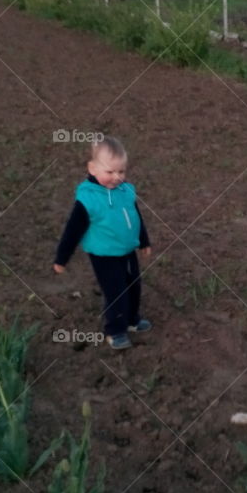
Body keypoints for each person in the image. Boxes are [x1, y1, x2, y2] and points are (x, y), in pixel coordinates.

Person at [53, 136, 152, 350]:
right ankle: (115, 330)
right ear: (93, 168)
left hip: (127, 250)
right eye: (110, 172)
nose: (117, 178)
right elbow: (72, 231)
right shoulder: (88, 200)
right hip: (104, 255)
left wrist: (144, 241)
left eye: (121, 171)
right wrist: (62, 258)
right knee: (116, 291)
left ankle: (132, 319)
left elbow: (136, 217)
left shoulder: (125, 191)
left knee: (134, 285)